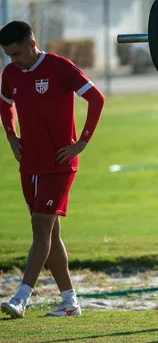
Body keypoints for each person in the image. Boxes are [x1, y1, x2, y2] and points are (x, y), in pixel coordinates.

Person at [0, 21, 105, 318]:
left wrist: (81, 142)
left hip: (59, 164)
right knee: (50, 232)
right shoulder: (11, 74)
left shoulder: (59, 67)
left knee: (40, 227)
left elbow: (96, 99)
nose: (14, 60)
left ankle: (21, 298)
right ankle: (70, 302)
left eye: (18, 53)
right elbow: (4, 103)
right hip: (29, 164)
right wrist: (11, 136)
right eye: (8, 55)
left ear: (32, 45)